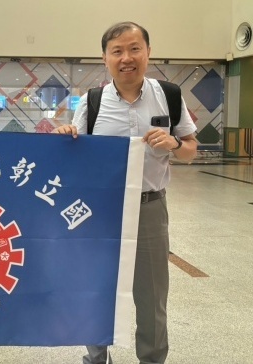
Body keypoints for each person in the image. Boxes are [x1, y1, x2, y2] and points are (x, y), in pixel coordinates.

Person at [54, 21, 197, 364]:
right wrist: (65, 137)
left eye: (135, 48)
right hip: (100, 212)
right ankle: (96, 358)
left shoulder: (170, 95)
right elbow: (75, 158)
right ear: (105, 58)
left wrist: (175, 142)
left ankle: (151, 359)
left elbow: (191, 149)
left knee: (151, 298)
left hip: (149, 210)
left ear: (148, 52)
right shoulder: (92, 102)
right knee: (95, 291)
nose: (126, 57)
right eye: (117, 51)